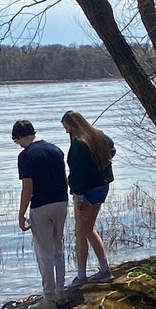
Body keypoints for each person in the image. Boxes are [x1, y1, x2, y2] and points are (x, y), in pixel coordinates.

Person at [12, 119, 69, 309]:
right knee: (58, 250)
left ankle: (48, 299)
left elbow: (28, 188)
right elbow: (64, 178)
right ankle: (61, 293)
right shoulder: (55, 149)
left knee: (44, 254)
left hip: (41, 206)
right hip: (61, 202)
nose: (18, 144)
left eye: (16, 141)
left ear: (20, 137)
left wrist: (21, 214)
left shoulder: (26, 156)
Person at [61, 110, 115, 285]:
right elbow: (112, 149)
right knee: (89, 228)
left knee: (80, 233)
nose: (67, 132)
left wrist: (78, 195)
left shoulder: (79, 144)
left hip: (87, 191)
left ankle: (82, 275)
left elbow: (78, 173)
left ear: (73, 125)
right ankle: (104, 268)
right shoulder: (100, 136)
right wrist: (101, 163)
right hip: (102, 186)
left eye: (67, 128)